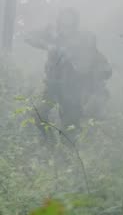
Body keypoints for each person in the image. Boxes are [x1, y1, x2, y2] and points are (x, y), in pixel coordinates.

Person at [24, 8, 112, 148]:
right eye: (63, 21)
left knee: (70, 129)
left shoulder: (84, 39)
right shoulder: (53, 35)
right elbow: (28, 36)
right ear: (59, 22)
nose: (66, 26)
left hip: (73, 91)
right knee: (38, 114)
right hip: (52, 86)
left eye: (70, 22)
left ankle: (67, 160)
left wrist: (95, 82)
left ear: (75, 23)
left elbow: (100, 65)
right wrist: (48, 46)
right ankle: (49, 143)